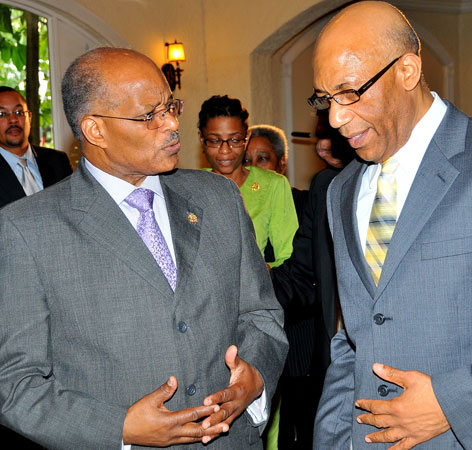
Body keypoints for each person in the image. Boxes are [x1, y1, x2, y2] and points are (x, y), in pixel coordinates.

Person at [0, 47, 288, 449]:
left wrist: (254, 379)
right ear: (95, 130)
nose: (172, 124)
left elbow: (260, 313)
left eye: (171, 106)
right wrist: (118, 428)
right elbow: (15, 385)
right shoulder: (26, 229)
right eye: (148, 115)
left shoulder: (217, 197)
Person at [311, 2, 472, 449]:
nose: (335, 118)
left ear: (407, 71)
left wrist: (453, 403)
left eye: (349, 92)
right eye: (325, 99)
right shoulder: (340, 191)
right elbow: (353, 339)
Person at [270, 112, 353, 450]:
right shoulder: (325, 187)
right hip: (333, 370)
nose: (321, 146)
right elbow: (302, 278)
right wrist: (238, 283)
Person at [199, 96, 298, 268]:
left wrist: (257, 273)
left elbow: (289, 257)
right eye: (215, 141)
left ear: (247, 137)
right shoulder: (189, 186)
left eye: (235, 140)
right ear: (202, 139)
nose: (225, 151)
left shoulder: (272, 185)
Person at [0, 86, 72, 208]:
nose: (13, 120)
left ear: (29, 117)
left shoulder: (58, 160)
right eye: (2, 114)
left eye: (19, 112)